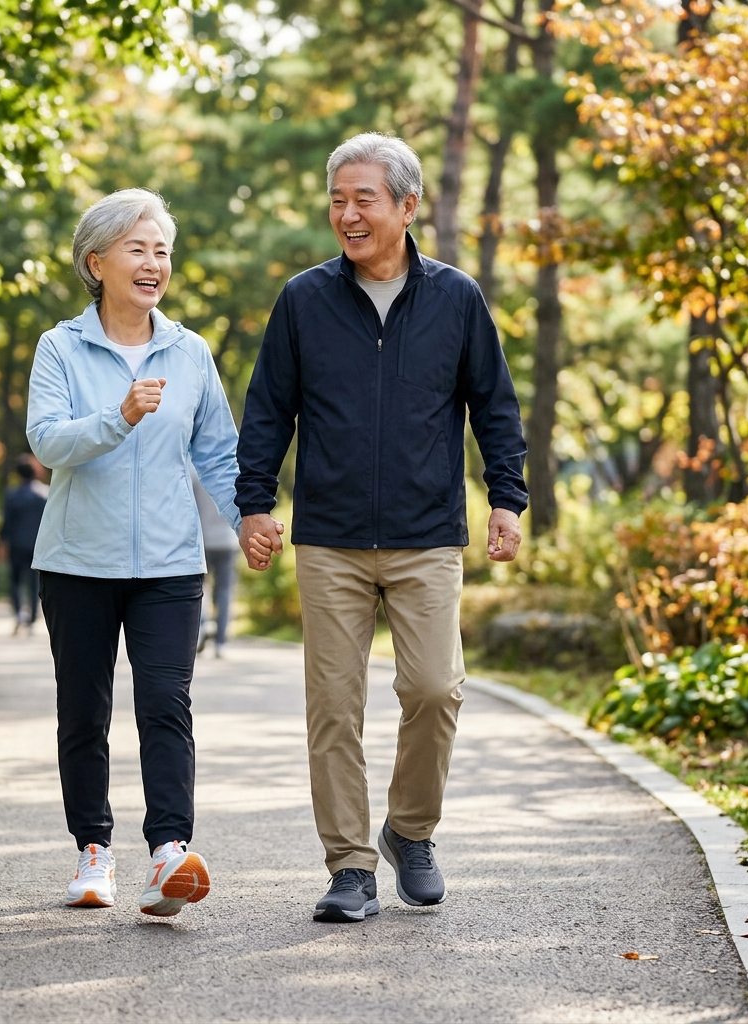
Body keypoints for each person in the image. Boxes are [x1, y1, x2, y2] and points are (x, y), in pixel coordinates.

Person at [236, 133, 528, 923]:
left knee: (436, 690)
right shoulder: (303, 299)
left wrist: (507, 498)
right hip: (328, 537)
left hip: (428, 533)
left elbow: (494, 407)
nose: (347, 214)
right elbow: (268, 410)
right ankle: (350, 866)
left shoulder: (457, 298)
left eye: (364, 198)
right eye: (337, 199)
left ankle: (411, 831)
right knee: (334, 706)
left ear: (406, 205)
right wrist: (254, 504)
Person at [26, 188, 250, 917]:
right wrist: (117, 417)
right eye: (138, 249)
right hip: (75, 564)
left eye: (163, 252)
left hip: (170, 566)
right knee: (84, 714)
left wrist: (252, 516)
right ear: (97, 262)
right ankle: (94, 854)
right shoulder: (61, 348)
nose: (154, 264)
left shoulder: (189, 353)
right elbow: (48, 441)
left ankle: (167, 856)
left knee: (166, 704)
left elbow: (218, 452)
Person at [191, 468, 240, 657]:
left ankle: (203, 626)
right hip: (227, 541)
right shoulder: (233, 473)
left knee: (199, 589)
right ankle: (221, 642)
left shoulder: (195, 474)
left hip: (203, 540)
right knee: (225, 591)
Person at [1, 454, 49, 635]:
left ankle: (18, 614)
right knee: (34, 583)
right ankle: (32, 620)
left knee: (15, 581)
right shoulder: (44, 493)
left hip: (16, 544)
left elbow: (6, 523)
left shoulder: (12, 495)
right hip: (38, 544)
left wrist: (2, 543)